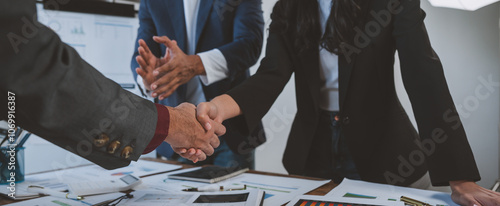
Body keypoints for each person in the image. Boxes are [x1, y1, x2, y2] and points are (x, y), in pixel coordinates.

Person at [187, 0, 500, 205]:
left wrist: (461, 177)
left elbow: (423, 76)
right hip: (313, 151)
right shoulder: (290, 7)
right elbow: (271, 74)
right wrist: (220, 107)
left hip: (385, 150)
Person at [0, 0, 222, 169]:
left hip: (227, 130)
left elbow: (248, 44)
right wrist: (168, 120)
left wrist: (194, 65)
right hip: (174, 138)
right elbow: (28, 64)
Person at [131, 0, 265, 169]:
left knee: (235, 194)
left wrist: (195, 65)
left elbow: (250, 44)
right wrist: (149, 79)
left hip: (230, 128)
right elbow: (142, 53)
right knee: (176, 195)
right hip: (176, 132)